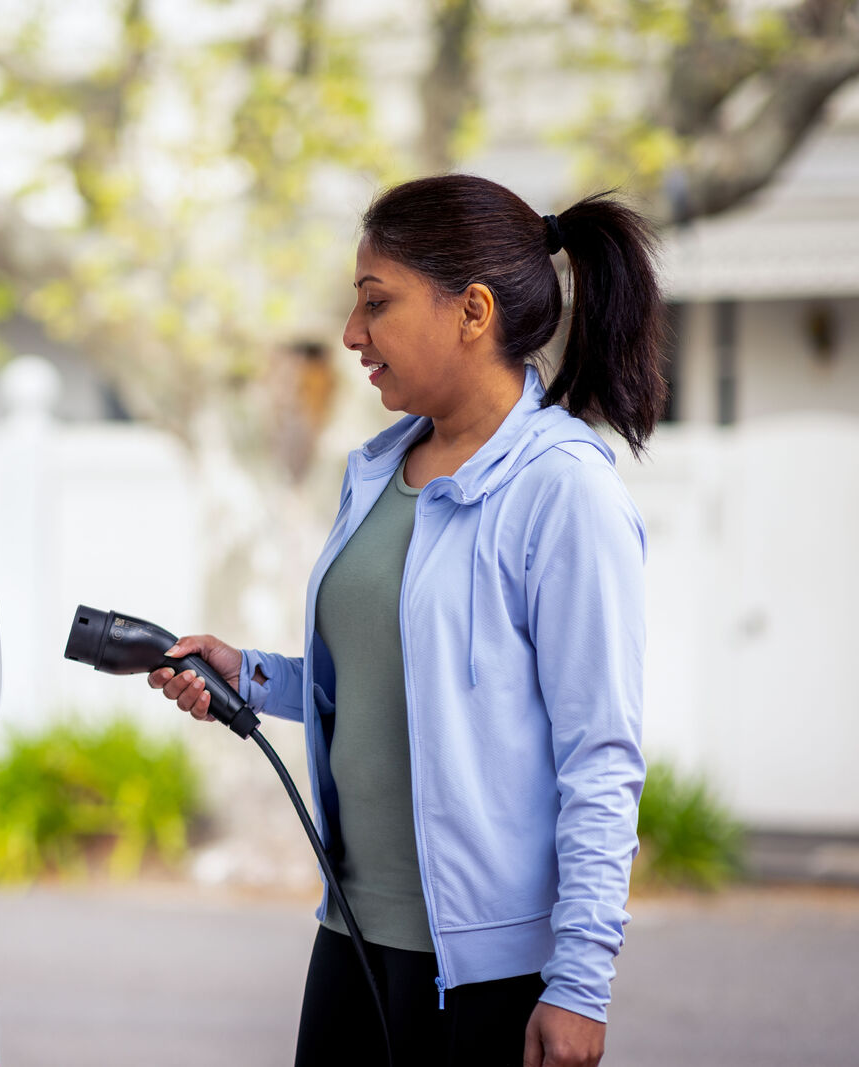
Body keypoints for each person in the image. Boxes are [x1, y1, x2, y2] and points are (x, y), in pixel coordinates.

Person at [150, 174, 659, 1067]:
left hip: (491, 976)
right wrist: (253, 675)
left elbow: (600, 754)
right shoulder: (380, 471)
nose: (352, 335)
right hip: (351, 938)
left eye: (376, 304)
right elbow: (399, 686)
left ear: (471, 311)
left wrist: (579, 982)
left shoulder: (563, 490)